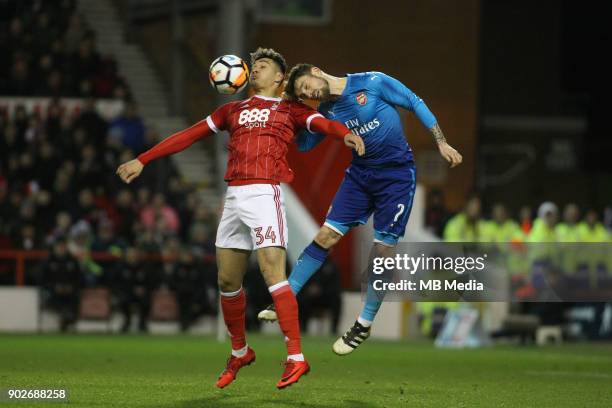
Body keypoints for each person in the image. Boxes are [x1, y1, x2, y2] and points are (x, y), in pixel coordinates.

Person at [116, 48, 365, 389]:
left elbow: (321, 123)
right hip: (234, 196)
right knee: (227, 282)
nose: (255, 70)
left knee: (272, 274)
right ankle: (239, 351)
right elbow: (188, 135)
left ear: (279, 77)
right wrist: (143, 159)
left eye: (262, 66)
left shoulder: (289, 109)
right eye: (254, 66)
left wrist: (344, 135)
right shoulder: (232, 110)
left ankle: (296, 357)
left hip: (264, 194)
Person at [258, 64, 462, 355]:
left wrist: (440, 142)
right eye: (303, 93)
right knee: (326, 236)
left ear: (316, 71)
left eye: (306, 85)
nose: (310, 93)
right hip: (360, 176)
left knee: (382, 251)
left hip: (396, 176)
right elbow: (304, 146)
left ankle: (363, 324)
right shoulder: (326, 111)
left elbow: (414, 101)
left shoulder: (373, 82)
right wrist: (288, 119)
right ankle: (286, 296)